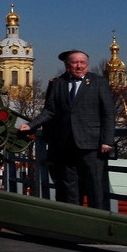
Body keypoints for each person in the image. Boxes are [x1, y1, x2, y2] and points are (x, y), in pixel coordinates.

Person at [18, 50, 116, 210]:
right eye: (75, 62)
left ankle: (97, 222)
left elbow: (108, 113)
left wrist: (107, 140)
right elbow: (49, 110)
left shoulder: (99, 82)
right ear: (67, 65)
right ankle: (75, 222)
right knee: (69, 187)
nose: (79, 66)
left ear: (87, 64)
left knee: (94, 186)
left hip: (92, 144)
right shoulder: (57, 83)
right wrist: (31, 125)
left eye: (82, 62)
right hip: (65, 144)